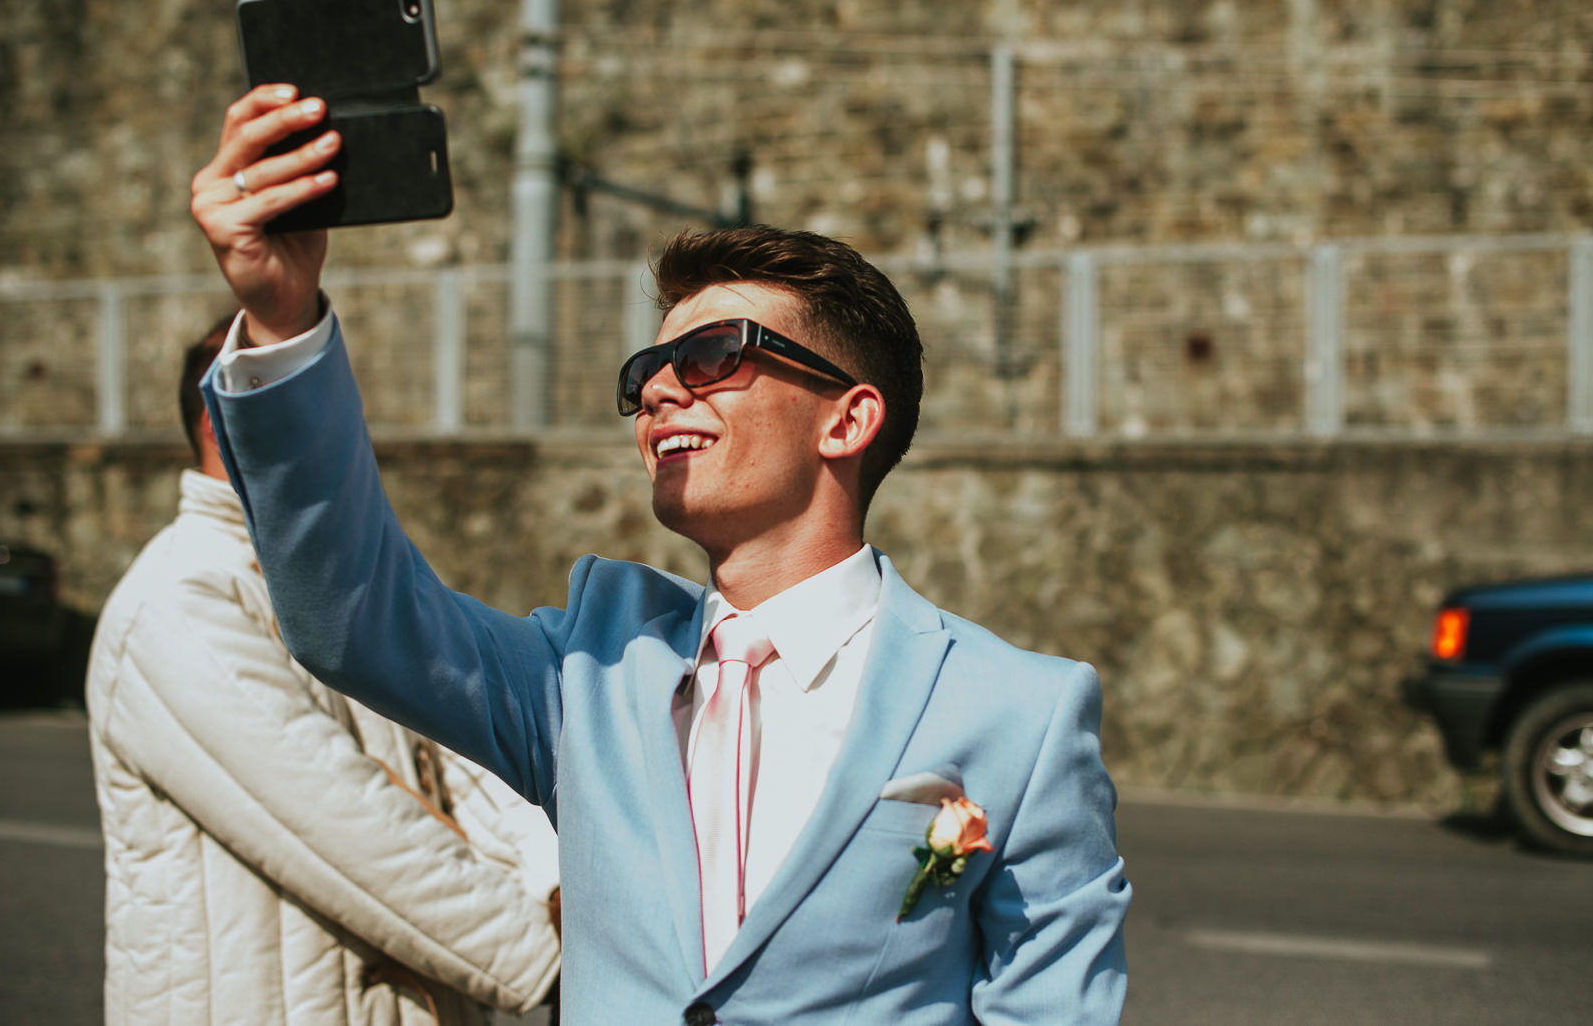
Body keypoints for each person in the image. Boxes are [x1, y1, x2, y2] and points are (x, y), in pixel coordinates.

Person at [190, 84, 1130, 1024]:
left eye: (716, 354)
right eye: (646, 372)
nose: (661, 392)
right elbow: (350, 619)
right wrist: (282, 321)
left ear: (848, 420)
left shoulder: (1022, 714)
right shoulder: (588, 672)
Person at [85, 313, 563, 1026]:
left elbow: (458, 754)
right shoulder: (178, 598)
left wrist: (559, 879)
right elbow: (342, 824)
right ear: (228, 417)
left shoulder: (340, 581)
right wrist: (553, 958)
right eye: (304, 398)